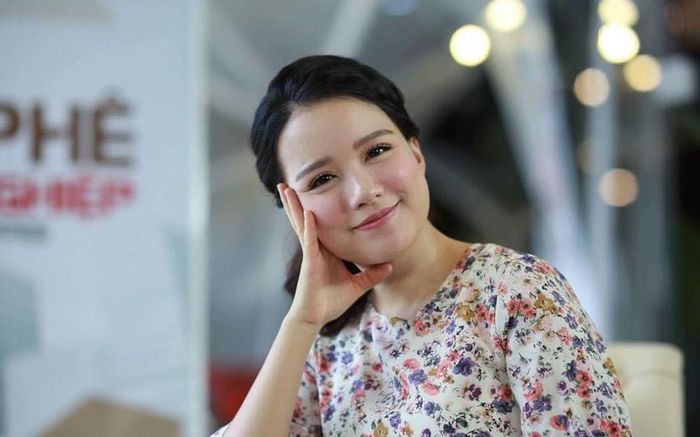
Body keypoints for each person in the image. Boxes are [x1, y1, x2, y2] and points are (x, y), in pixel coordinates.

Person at [211, 55, 632, 436]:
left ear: (416, 153)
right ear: (294, 210)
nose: (363, 191)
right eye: (322, 179)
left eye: (377, 150)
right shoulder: (327, 344)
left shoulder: (515, 292)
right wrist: (301, 323)